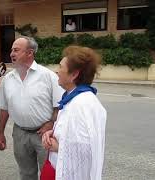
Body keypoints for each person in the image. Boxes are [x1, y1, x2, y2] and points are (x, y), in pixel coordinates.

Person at [0, 36, 64, 180]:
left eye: (16, 50)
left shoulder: (48, 76)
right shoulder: (7, 80)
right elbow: (4, 108)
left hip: (44, 135)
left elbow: (60, 105)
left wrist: (51, 123)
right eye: (11, 50)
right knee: (26, 174)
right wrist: (0, 133)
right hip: (20, 134)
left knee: (49, 174)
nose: (12, 54)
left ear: (30, 53)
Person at [41, 45, 107, 180]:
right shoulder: (74, 98)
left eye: (61, 67)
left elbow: (87, 149)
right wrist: (54, 132)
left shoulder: (82, 104)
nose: (57, 71)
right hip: (56, 167)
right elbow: (73, 133)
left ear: (74, 74)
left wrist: (59, 147)